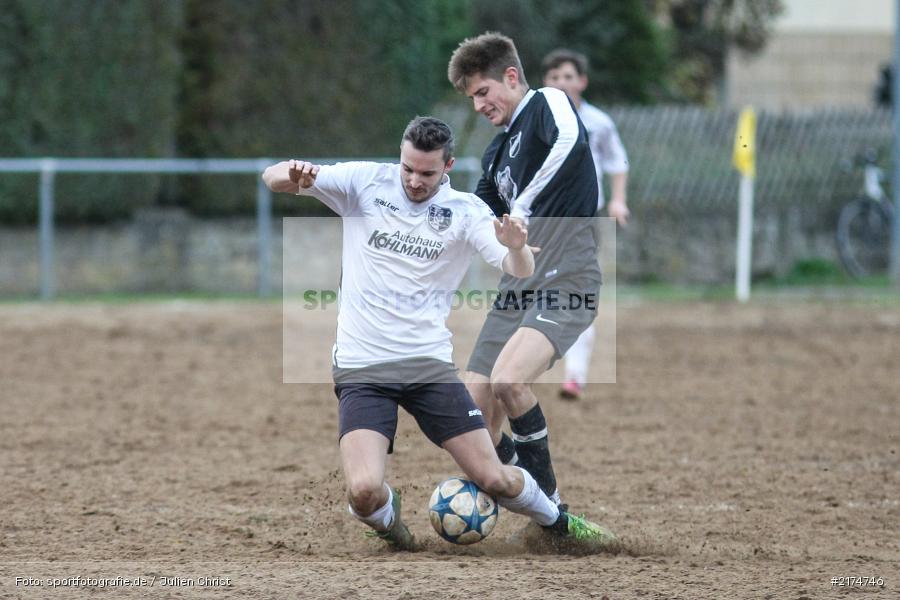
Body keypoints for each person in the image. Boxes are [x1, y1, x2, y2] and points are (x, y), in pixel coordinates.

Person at [262, 116, 614, 551]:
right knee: (364, 492)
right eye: (408, 168)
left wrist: (518, 247)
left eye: (427, 172)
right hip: (362, 368)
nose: (414, 180)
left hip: (429, 367)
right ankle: (394, 528)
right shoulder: (364, 182)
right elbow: (272, 177)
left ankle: (560, 523)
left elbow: (517, 268)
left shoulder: (466, 212)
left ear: (447, 165)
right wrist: (292, 173)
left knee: (495, 479)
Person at [447, 33, 607, 518]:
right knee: (471, 417)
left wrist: (523, 208)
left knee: (510, 382)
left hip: (568, 272)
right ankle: (524, 486)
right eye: (472, 98)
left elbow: (567, 142)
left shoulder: (548, 104)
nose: (478, 105)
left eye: (482, 93)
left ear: (511, 77)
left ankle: (552, 507)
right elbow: (471, 213)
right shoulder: (496, 156)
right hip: (517, 284)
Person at [541, 48, 630, 400]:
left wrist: (618, 199)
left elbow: (617, 160)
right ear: (544, 82)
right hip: (542, 222)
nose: (561, 83)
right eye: (553, 77)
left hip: (582, 221)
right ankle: (521, 367)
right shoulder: (535, 120)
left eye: (567, 76)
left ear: (582, 81)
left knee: (577, 295)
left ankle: (574, 376)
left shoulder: (598, 122)